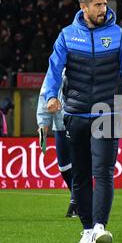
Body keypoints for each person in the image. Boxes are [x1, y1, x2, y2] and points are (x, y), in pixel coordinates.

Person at [42, 0, 122, 243]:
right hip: (75, 114)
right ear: (83, 7)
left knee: (104, 173)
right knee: (81, 176)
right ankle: (87, 230)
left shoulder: (118, 35)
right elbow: (54, 69)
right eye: (97, 5)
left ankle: (100, 227)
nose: (103, 9)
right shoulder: (67, 36)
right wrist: (51, 96)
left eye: (105, 4)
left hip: (106, 113)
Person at [37, 70, 78, 217]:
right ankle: (81, 199)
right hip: (59, 125)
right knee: (64, 167)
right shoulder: (55, 69)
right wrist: (43, 124)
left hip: (79, 121)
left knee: (79, 165)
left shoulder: (83, 65)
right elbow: (45, 95)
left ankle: (75, 203)